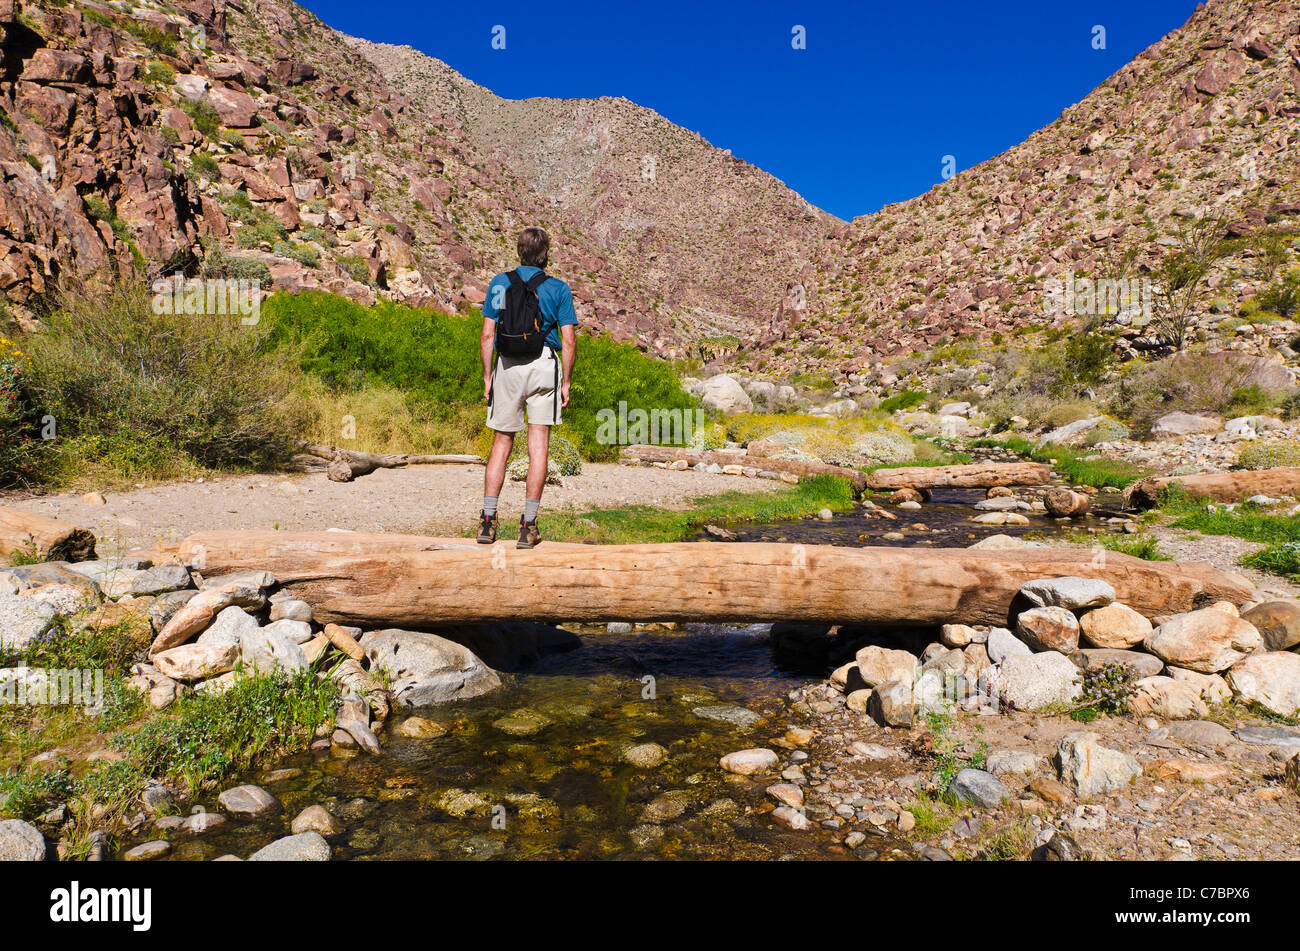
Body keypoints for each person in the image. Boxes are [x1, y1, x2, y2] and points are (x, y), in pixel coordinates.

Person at [476, 226, 577, 548]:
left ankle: (488, 521)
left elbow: (487, 335)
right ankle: (528, 526)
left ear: (518, 252)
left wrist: (488, 376)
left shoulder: (499, 283)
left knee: (501, 444)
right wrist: (567, 381)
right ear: (546, 254)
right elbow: (570, 340)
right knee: (538, 446)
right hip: (544, 365)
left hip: (508, 366)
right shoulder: (559, 288)